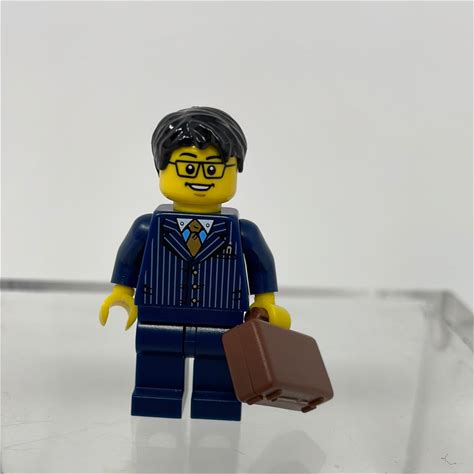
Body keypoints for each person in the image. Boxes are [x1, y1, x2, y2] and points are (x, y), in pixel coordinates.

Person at [99, 106, 291, 421]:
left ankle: (215, 408)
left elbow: (261, 265)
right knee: (157, 366)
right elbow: (128, 258)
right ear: (161, 168)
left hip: (222, 318)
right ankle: (157, 401)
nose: (201, 178)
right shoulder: (148, 227)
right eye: (188, 167)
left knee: (217, 372)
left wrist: (266, 302)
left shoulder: (242, 232)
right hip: (159, 312)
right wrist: (121, 293)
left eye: (214, 169)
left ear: (235, 170)